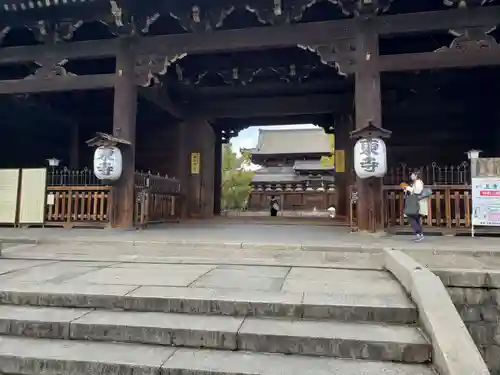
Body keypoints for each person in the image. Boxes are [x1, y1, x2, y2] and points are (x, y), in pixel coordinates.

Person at [403, 170, 428, 242]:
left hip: (417, 203)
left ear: (416, 176)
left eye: (412, 175)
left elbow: (417, 192)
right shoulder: (417, 182)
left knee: (411, 217)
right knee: (416, 218)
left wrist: (408, 188)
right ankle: (419, 234)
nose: (411, 176)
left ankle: (419, 233)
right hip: (417, 203)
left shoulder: (418, 182)